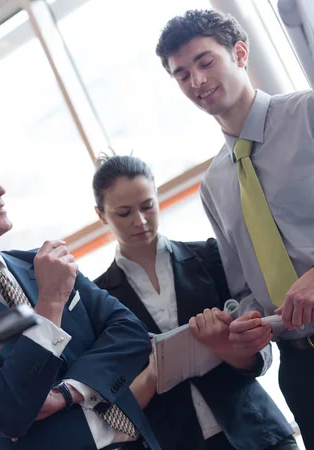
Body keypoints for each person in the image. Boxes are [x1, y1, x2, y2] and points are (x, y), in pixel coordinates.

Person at [0, 141, 161, 450]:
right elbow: (1, 412)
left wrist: (69, 392)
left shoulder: (41, 262)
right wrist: (49, 304)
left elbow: (132, 333)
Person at [155, 9, 314, 446]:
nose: (197, 82)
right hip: (302, 368)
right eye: (182, 74)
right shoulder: (215, 184)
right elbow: (246, 288)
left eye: (205, 63)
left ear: (240, 53)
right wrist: (245, 326)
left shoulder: (307, 113)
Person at [91, 154, 297, 450]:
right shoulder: (98, 299)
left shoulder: (211, 256)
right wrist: (151, 375)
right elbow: (107, 406)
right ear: (101, 215)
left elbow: (260, 353)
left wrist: (223, 344)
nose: (140, 221)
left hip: (256, 431)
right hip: (176, 440)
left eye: (148, 206)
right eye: (124, 213)